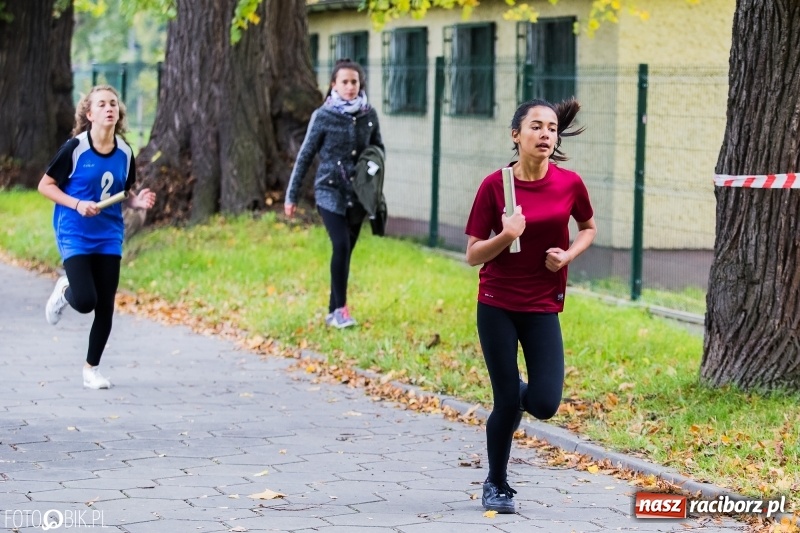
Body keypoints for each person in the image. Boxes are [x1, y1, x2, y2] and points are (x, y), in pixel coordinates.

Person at [464, 98, 597, 513]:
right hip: (497, 303)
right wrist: (506, 236)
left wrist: (568, 256)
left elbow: (589, 227)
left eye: (552, 128)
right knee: (506, 402)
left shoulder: (569, 183)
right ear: (516, 135)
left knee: (543, 403)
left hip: (542, 304)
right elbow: (472, 255)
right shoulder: (494, 185)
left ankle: (514, 391)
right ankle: (496, 484)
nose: (545, 134)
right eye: (536, 127)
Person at [38, 85, 156, 390]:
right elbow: (45, 186)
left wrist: (135, 203)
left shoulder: (125, 152)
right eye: (101, 104)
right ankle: (65, 291)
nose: (109, 108)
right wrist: (77, 204)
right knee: (86, 300)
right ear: (89, 114)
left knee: (105, 305)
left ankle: (91, 369)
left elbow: (121, 193)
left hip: (108, 235)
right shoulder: (74, 149)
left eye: (113, 104)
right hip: (74, 231)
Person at [284, 58, 384, 329]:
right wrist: (291, 196)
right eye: (345, 82)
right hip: (329, 190)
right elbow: (305, 156)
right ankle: (341, 310)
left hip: (358, 196)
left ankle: (332, 310)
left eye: (354, 82)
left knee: (346, 252)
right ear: (333, 85)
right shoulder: (323, 116)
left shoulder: (368, 115)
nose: (350, 87)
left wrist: (372, 171)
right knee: (340, 245)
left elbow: (378, 149)